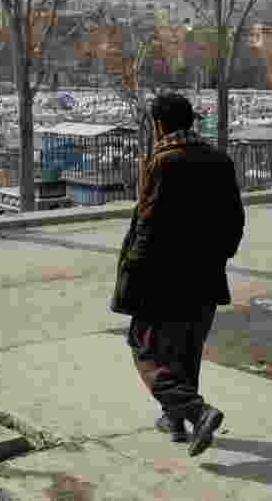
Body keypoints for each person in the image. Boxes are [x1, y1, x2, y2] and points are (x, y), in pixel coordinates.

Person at [112, 92, 245, 457]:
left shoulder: (162, 163)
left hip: (162, 280)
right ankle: (175, 419)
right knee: (186, 352)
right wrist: (214, 258)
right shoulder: (219, 161)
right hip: (205, 277)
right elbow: (235, 222)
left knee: (145, 348)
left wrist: (131, 270)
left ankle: (196, 412)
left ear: (157, 125)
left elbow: (148, 226)